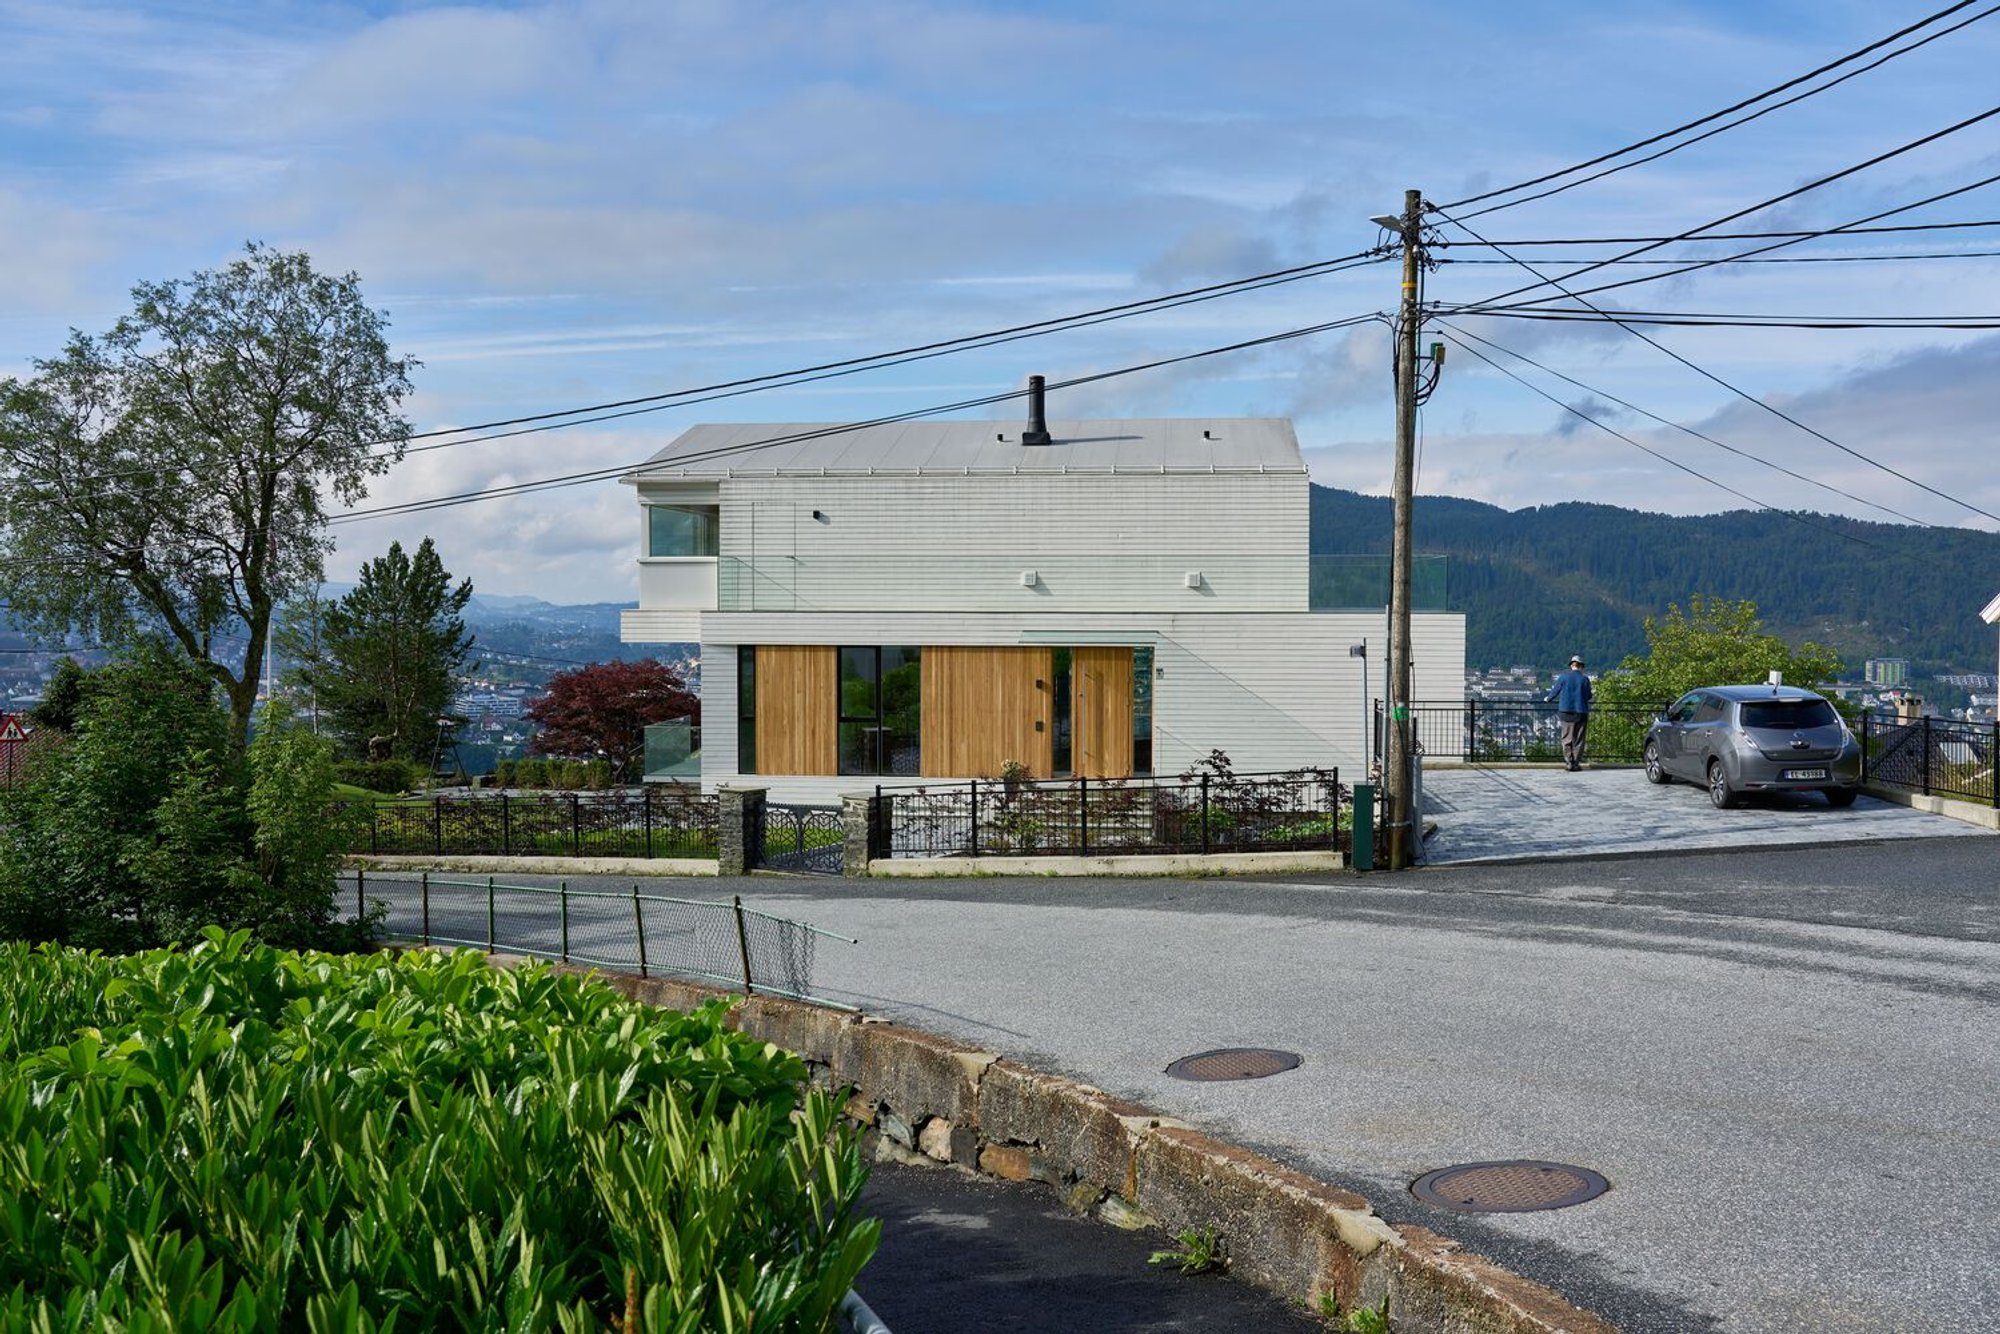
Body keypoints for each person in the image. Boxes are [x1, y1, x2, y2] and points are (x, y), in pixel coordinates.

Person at [1546, 655, 1593, 771]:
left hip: (1565, 712)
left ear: (1571, 665)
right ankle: (1576, 762)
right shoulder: (1584, 679)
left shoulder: (1563, 677)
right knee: (1579, 739)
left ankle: (1569, 760)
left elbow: (1554, 692)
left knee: (1566, 737)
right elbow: (1588, 696)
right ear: (1581, 667)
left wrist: (1548, 699)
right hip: (1581, 712)